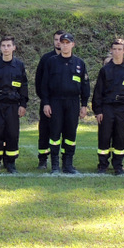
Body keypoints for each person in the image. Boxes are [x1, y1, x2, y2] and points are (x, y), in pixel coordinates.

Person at [40, 32, 89, 174]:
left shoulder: (79, 63)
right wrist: (46, 103)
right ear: (59, 44)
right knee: (55, 133)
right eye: (63, 43)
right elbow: (44, 85)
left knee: (70, 134)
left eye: (68, 43)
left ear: (73, 44)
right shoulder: (51, 62)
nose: (65, 45)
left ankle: (68, 164)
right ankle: (55, 165)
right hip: (56, 101)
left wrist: (84, 105)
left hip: (73, 102)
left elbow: (85, 85)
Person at [0, 35, 29, 174]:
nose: (6, 48)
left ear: (14, 47)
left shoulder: (19, 65)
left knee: (12, 134)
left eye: (9, 45)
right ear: (0, 48)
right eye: (3, 46)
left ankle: (10, 163)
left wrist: (23, 104)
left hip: (13, 105)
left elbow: (23, 86)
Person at [91, 38, 124, 175]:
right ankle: (102, 165)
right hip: (107, 108)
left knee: (120, 137)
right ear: (111, 50)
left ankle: (118, 166)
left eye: (119, 49)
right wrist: (98, 110)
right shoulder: (105, 70)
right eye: (114, 49)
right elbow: (98, 91)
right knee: (104, 136)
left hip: (123, 108)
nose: (116, 52)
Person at [34, 31, 63, 169]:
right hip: (48, 102)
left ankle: (64, 160)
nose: (58, 42)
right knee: (45, 131)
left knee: (63, 131)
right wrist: (45, 100)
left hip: (64, 103)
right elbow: (39, 81)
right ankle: (43, 159)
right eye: (56, 39)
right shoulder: (46, 58)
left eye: (61, 40)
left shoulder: (72, 60)